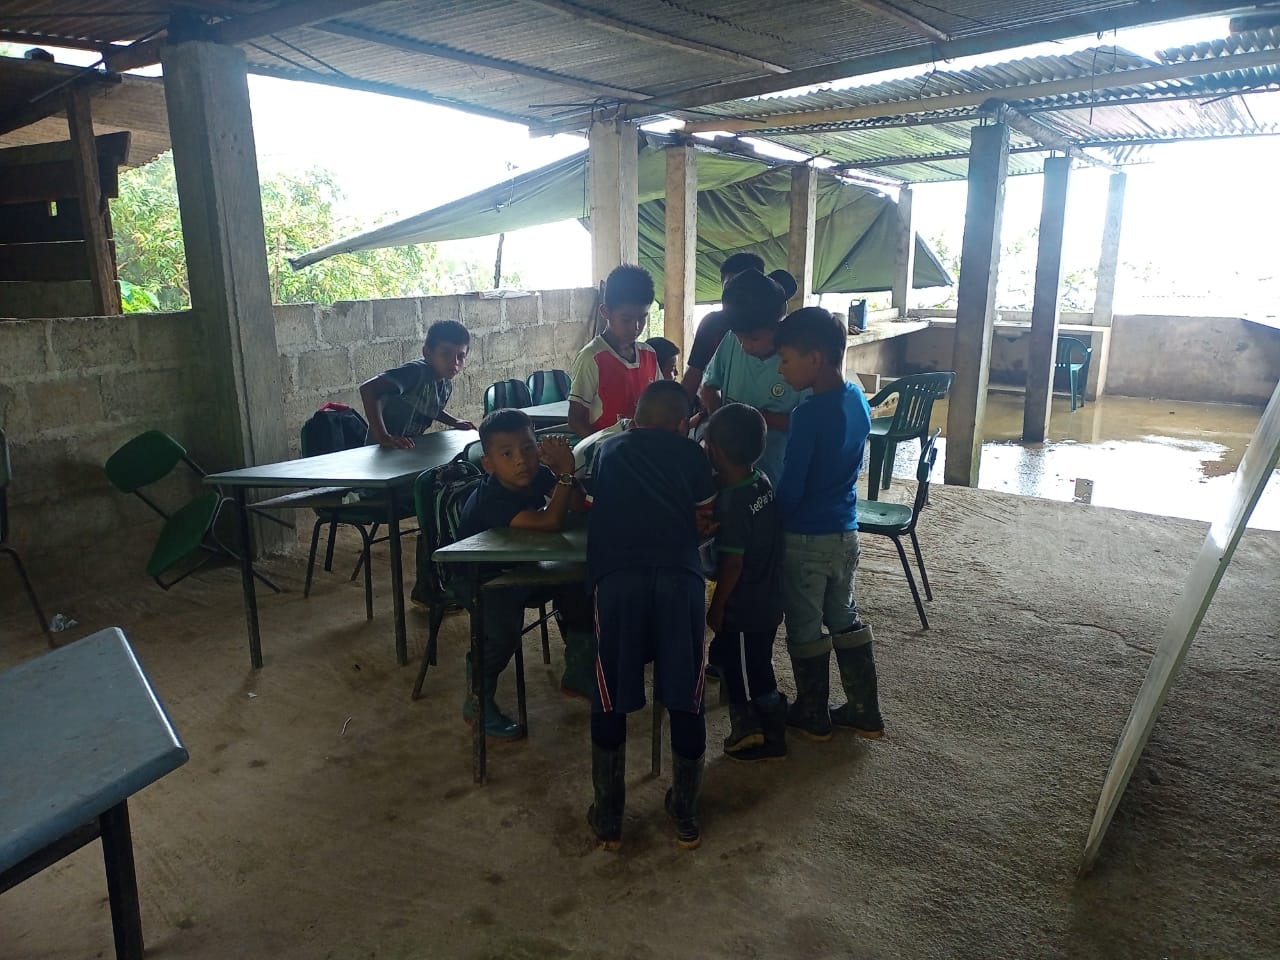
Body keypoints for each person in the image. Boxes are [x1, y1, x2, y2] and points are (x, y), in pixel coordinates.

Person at [585, 380, 717, 851]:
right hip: (680, 582)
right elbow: (706, 519)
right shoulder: (694, 455)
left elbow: (594, 506)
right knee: (686, 694)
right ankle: (685, 813)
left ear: (635, 418)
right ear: (685, 425)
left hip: (617, 581)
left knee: (609, 693)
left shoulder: (608, 450)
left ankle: (609, 817)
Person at [773, 307, 883, 743]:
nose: (781, 367)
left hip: (805, 538)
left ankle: (812, 711)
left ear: (814, 358)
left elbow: (793, 484)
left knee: (804, 622)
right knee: (843, 614)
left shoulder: (808, 414)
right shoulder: (856, 396)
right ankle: (863, 709)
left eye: (786, 358)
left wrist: (771, 516)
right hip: (846, 530)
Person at [454, 409, 596, 740]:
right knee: (502, 634)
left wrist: (563, 470)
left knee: (579, 583)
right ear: (489, 463)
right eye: (507, 454)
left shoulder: (538, 474)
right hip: (480, 578)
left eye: (529, 448)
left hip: (520, 567)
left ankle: (578, 671)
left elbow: (574, 503)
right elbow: (550, 522)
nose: (522, 461)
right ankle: (477, 699)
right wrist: (564, 476)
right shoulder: (492, 497)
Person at [704, 403, 788, 762]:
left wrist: (717, 605)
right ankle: (722, 665)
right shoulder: (762, 482)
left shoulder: (733, 504)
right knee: (744, 658)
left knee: (750, 675)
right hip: (769, 596)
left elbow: (733, 564)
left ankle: (762, 732)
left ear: (715, 451)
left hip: (744, 607)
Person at [699, 270, 810, 486]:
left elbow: (809, 423)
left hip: (776, 471)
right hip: (728, 467)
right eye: (740, 337)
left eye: (754, 338)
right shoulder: (732, 339)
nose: (745, 346)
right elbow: (709, 386)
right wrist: (720, 420)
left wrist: (757, 421)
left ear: (779, 325)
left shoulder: (798, 358)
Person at [567, 265, 658, 438]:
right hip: (606, 455)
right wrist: (599, 449)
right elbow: (575, 419)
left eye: (642, 318)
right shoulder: (592, 358)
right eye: (627, 319)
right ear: (605, 312)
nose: (636, 327)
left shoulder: (650, 355)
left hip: (642, 451)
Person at [358, 319, 476, 447]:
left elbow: (429, 407)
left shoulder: (445, 383)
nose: (455, 363)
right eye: (446, 354)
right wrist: (383, 437)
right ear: (427, 353)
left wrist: (454, 421)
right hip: (382, 449)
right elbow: (368, 388)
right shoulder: (414, 373)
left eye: (461, 356)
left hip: (406, 448)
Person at [680, 252, 764, 401]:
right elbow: (695, 371)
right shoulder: (712, 323)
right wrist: (677, 412)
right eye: (730, 287)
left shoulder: (773, 327)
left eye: (744, 288)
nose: (737, 295)